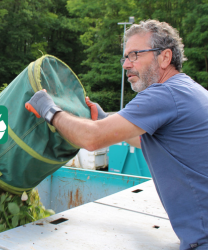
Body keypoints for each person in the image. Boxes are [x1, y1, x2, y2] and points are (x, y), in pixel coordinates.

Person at [25, 20, 208, 250]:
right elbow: (147, 141)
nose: (126, 65)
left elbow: (91, 140)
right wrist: (103, 119)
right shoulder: (187, 89)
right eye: (125, 57)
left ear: (164, 57)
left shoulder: (164, 94)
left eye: (135, 55)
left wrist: (49, 110)